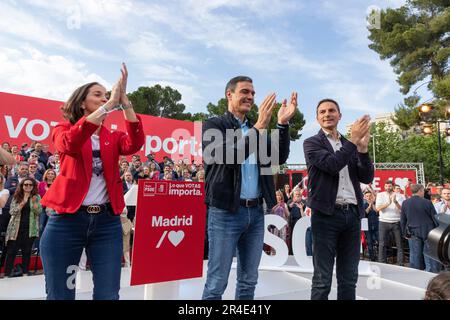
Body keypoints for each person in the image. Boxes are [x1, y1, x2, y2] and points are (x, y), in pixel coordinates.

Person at [40, 63, 145, 300]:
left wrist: (125, 101)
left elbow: (135, 143)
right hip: (67, 221)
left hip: (106, 224)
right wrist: (110, 105)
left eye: (106, 95)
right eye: (97, 95)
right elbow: (69, 144)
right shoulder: (63, 129)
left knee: (108, 294)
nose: (104, 98)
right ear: (81, 103)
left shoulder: (113, 137)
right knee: (61, 294)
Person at [201, 76, 297, 300]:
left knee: (248, 282)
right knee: (217, 282)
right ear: (229, 95)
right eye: (245, 92)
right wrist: (260, 126)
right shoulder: (214, 125)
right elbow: (229, 156)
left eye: (253, 93)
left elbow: (278, 157)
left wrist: (282, 125)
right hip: (225, 213)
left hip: (255, 214)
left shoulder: (256, 127)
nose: (251, 97)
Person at [303, 98, 374, 300]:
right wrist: (353, 143)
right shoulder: (312, 143)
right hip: (326, 215)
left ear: (339, 115)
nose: (327, 114)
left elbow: (366, 177)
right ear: (317, 118)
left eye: (332, 110)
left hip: (352, 215)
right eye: (322, 111)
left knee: (349, 278)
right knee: (322, 279)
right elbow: (332, 164)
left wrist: (363, 150)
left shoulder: (349, 144)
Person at [4, 178, 41, 277]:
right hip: (15, 228)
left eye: (30, 185)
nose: (28, 186)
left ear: (33, 186)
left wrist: (33, 204)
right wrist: (22, 203)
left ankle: (25, 272)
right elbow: (12, 211)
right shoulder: (17, 196)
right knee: (11, 251)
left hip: (30, 229)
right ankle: (7, 273)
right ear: (22, 186)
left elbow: (39, 212)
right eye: (25, 185)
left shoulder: (36, 197)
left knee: (27, 251)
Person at [400, 184, 441, 273]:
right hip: (428, 231)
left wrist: (404, 233)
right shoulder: (427, 202)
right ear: (420, 191)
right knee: (429, 255)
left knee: (415, 255)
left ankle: (415, 274)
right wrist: (438, 230)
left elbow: (403, 219)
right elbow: (435, 217)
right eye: (423, 191)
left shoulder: (405, 203)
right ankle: (430, 274)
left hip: (413, 231)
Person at [376, 180, 405, 265]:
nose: (388, 188)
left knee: (399, 244)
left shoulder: (400, 196)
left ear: (393, 186)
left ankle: (400, 263)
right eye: (386, 186)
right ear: (384, 187)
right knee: (382, 244)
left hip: (396, 222)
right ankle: (382, 262)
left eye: (389, 186)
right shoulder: (380, 195)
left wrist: (395, 202)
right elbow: (377, 209)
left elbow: (402, 209)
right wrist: (388, 203)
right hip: (383, 222)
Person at [363, 190, 379, 261]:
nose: (369, 197)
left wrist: (372, 204)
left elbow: (377, 212)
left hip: (376, 225)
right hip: (367, 226)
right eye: (367, 196)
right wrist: (369, 206)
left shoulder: (375, 204)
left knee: (379, 241)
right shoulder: (363, 205)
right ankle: (372, 257)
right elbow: (364, 214)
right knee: (370, 242)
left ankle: (379, 256)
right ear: (364, 197)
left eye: (370, 196)